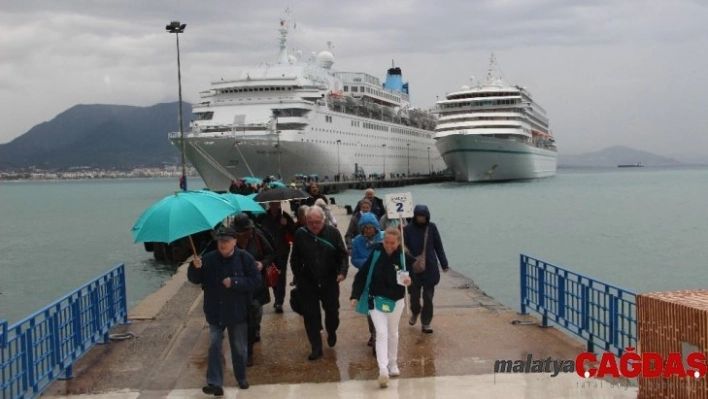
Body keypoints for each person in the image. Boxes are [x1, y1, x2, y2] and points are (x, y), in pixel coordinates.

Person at [187, 226, 261, 393]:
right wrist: (194, 267)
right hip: (215, 310)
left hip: (237, 311)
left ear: (234, 241)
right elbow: (194, 279)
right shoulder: (208, 259)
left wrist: (235, 282)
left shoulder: (244, 258)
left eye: (226, 241)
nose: (223, 244)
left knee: (238, 347)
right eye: (220, 241)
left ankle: (241, 377)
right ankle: (214, 382)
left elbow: (256, 281)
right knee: (214, 344)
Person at [350, 227, 413, 388]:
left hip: (396, 301)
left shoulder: (403, 258)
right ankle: (383, 369)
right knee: (381, 332)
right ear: (383, 241)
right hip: (376, 299)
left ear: (398, 242)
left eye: (392, 243)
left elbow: (415, 275)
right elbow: (362, 274)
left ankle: (393, 363)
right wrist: (355, 296)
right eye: (386, 242)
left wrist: (410, 281)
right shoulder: (376, 253)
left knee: (393, 332)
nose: (389, 246)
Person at [289, 206, 348, 360]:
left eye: (317, 222)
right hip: (308, 282)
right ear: (305, 221)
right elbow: (294, 258)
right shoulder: (300, 234)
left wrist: (342, 272)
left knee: (332, 312)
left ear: (323, 220)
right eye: (310, 222)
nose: (314, 225)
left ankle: (331, 330)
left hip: (329, 280)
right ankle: (316, 347)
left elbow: (343, 254)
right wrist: (299, 276)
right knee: (311, 316)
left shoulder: (332, 233)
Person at [231, 213, 276, 367]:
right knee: (241, 320)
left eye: (246, 231)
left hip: (256, 285)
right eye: (240, 232)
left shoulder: (257, 237)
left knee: (253, 317)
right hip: (238, 287)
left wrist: (262, 264)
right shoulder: (229, 241)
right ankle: (245, 351)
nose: (244, 234)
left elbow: (271, 253)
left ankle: (249, 350)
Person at [403, 205, 449, 334]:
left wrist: (444, 263)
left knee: (428, 298)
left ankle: (426, 322)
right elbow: (403, 248)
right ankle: (415, 312)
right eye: (419, 216)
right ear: (415, 216)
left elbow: (438, 246)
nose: (421, 218)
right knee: (414, 298)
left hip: (430, 267)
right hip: (413, 268)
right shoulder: (407, 230)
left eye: (423, 216)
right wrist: (407, 260)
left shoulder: (432, 227)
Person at [350, 212, 385, 353]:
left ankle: (380, 335)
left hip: (382, 279)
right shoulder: (357, 241)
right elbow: (354, 259)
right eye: (365, 228)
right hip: (366, 280)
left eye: (370, 227)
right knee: (371, 311)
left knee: (383, 309)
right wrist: (368, 263)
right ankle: (374, 334)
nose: (368, 230)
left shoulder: (383, 238)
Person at [256, 201, 296, 313]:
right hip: (267, 251)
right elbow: (256, 231)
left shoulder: (285, 216)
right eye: (273, 203)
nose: (275, 205)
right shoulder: (262, 216)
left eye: (277, 203)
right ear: (270, 203)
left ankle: (279, 301)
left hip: (282, 250)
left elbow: (294, 232)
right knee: (271, 274)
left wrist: (287, 224)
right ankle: (276, 294)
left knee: (281, 276)